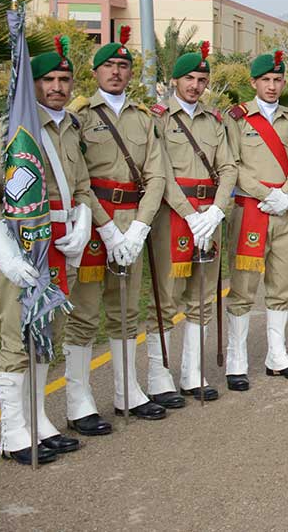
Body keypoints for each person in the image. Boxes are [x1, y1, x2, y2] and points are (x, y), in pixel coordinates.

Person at [0, 38, 93, 463]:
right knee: (17, 336)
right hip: (22, 245)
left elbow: (80, 185)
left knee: (49, 334)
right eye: (47, 79)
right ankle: (13, 433)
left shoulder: (70, 126)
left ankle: (38, 420)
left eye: (64, 79)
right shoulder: (10, 128)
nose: (57, 86)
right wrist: (3, 254)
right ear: (31, 84)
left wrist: (82, 223)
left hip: (60, 245)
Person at [65, 26, 170, 425]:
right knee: (86, 311)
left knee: (126, 311)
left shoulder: (144, 118)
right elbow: (79, 179)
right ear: (95, 72)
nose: (116, 72)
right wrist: (108, 229)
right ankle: (78, 401)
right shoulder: (79, 117)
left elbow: (156, 175)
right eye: (108, 65)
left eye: (123, 66)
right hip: (93, 221)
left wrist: (139, 227)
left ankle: (129, 392)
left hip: (133, 221)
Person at [148, 42, 236, 402]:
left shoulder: (214, 120)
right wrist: (189, 213)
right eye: (189, 78)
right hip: (174, 214)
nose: (195, 85)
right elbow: (160, 171)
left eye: (202, 79)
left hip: (209, 213)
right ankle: (158, 376)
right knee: (167, 297)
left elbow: (229, 167)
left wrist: (216, 210)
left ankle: (192, 373)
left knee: (202, 295)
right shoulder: (158, 118)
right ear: (174, 80)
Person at [225, 50, 288, 389]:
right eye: (266, 80)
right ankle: (236, 360)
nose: (272, 86)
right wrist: (266, 195)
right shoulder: (237, 118)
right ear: (253, 83)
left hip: (285, 210)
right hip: (251, 211)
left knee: (281, 284)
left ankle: (277, 355)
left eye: (277, 80)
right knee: (243, 288)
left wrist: (285, 194)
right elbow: (232, 164)